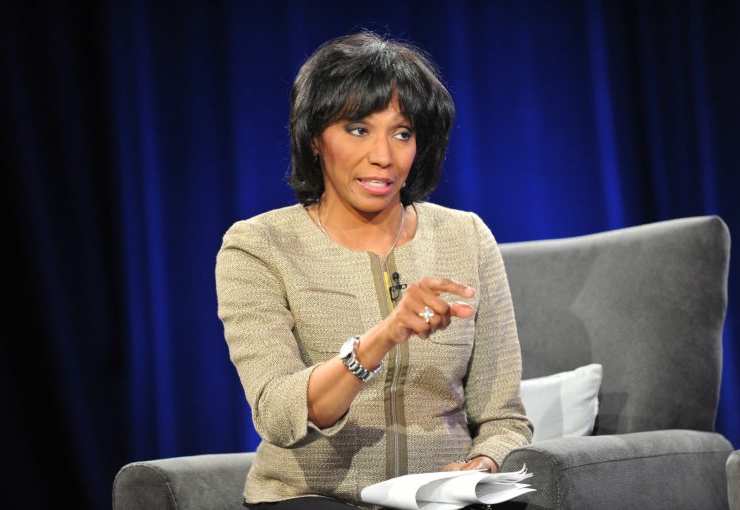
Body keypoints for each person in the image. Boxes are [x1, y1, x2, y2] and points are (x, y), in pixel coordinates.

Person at [216, 32, 532, 509]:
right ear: (315, 138)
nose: (384, 156)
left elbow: (504, 418)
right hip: (311, 498)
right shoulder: (259, 247)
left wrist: (482, 465)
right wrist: (381, 338)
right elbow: (279, 412)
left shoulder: (466, 237)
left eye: (402, 133)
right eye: (358, 129)